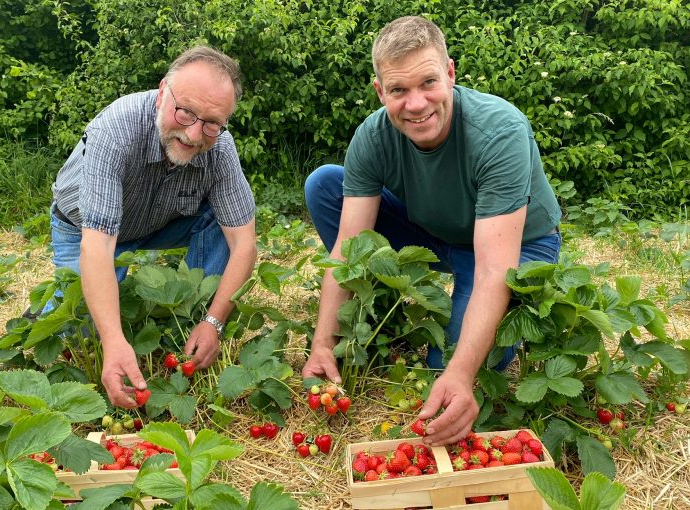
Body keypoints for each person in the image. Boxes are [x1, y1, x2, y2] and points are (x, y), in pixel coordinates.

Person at [301, 16, 562, 446]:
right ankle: (372, 307)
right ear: (380, 91)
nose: (417, 104)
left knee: (443, 376)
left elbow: (495, 270)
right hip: (436, 232)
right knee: (326, 184)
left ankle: (460, 346)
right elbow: (348, 250)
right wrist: (322, 344)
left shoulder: (499, 131)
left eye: (428, 83)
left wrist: (461, 374)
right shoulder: (373, 137)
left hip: (516, 247)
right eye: (399, 90)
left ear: (451, 74)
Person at [49, 46, 256, 408]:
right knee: (85, 336)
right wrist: (113, 340)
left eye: (211, 123)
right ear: (162, 92)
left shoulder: (220, 147)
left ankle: (193, 320)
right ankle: (48, 315)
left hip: (159, 221)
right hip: (86, 228)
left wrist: (214, 321)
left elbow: (244, 244)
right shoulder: (116, 129)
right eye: (186, 112)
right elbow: (97, 246)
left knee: (221, 222)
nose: (194, 135)